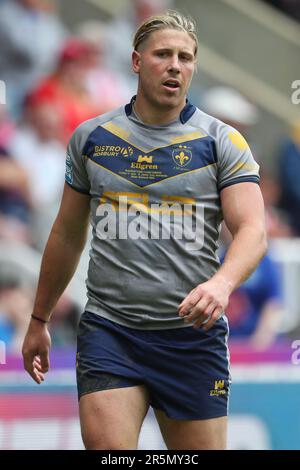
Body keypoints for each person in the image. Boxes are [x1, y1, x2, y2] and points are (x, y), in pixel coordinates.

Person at [22, 11, 267, 450]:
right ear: (136, 61)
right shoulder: (91, 138)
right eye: (164, 55)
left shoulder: (221, 141)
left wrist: (222, 283)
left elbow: (253, 229)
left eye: (186, 58)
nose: (176, 65)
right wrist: (39, 318)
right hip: (111, 331)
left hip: (192, 338)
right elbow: (66, 233)